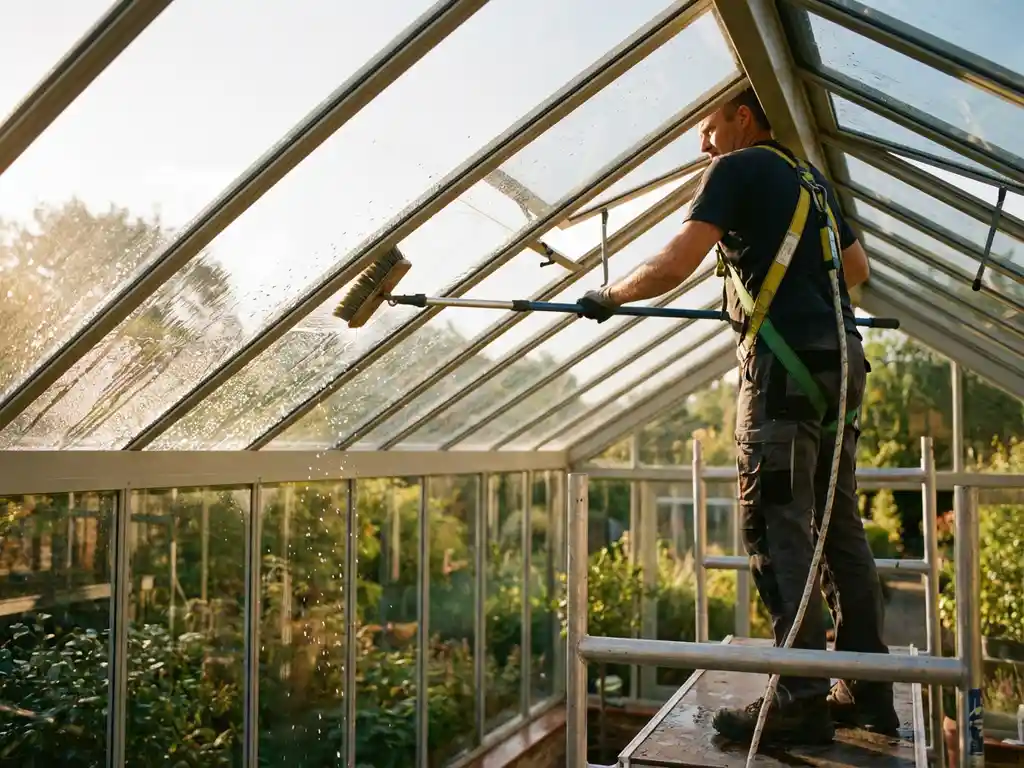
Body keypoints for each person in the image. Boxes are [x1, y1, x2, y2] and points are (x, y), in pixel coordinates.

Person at [575, 87, 899, 746]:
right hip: (840, 368)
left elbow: (675, 262)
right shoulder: (811, 182)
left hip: (783, 375)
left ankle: (801, 698)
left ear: (742, 117)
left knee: (776, 526)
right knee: (837, 526)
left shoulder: (736, 168)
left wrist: (608, 294)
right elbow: (855, 268)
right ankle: (866, 690)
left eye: (708, 127)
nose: (703, 143)